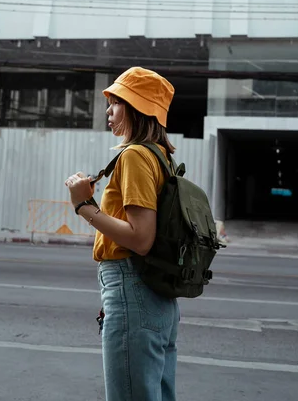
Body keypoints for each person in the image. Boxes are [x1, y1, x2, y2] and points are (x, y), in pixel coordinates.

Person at [65, 67, 179, 401]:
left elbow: (140, 238)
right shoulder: (161, 157)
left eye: (114, 103)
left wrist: (84, 205)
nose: (108, 112)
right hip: (155, 295)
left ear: (132, 106)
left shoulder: (134, 156)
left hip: (134, 287)